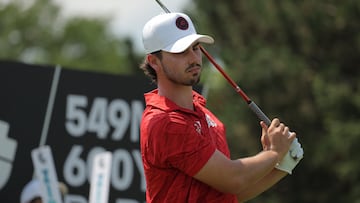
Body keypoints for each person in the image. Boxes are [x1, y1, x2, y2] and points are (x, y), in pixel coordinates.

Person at [139, 12, 303, 203]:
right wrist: (274, 153)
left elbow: (228, 194)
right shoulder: (164, 122)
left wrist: (279, 166)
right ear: (154, 61)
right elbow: (234, 179)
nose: (193, 58)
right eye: (181, 51)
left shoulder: (205, 115)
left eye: (196, 48)